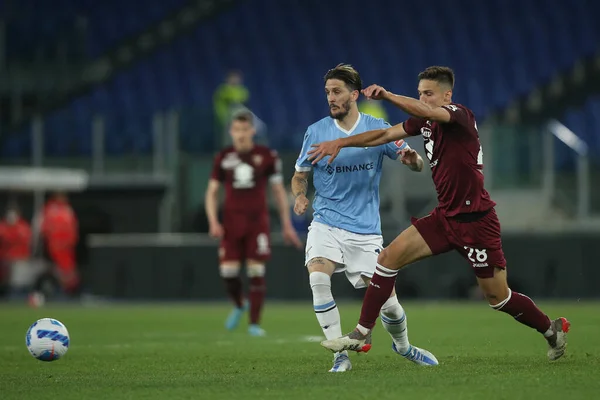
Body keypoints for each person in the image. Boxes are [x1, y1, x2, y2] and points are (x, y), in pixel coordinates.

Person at [308, 66, 570, 361]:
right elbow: (382, 134)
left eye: (429, 94)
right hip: (445, 218)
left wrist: (389, 95)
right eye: (420, 93)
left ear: (447, 94)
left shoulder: (459, 115)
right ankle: (362, 331)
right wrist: (340, 142)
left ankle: (552, 330)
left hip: (476, 222)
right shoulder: (426, 122)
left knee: (498, 297)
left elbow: (428, 112)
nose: (424, 99)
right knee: (387, 259)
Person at [292, 64, 438, 373]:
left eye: (337, 92)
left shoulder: (376, 127)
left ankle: (404, 346)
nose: (331, 98)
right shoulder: (315, 131)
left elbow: (415, 164)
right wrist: (300, 195)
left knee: (390, 304)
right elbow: (300, 174)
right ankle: (339, 355)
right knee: (318, 278)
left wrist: (413, 162)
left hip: (366, 231)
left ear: (354, 94)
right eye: (327, 92)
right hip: (326, 222)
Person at [206, 110, 302, 337]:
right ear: (231, 132)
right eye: (236, 130)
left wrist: (287, 225)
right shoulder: (223, 157)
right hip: (231, 223)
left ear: (252, 131)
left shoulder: (267, 156)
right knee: (228, 272)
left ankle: (254, 324)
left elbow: (278, 191)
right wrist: (213, 221)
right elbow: (212, 191)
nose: (240, 134)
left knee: (255, 270)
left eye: (244, 130)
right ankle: (240, 304)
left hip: (257, 223)